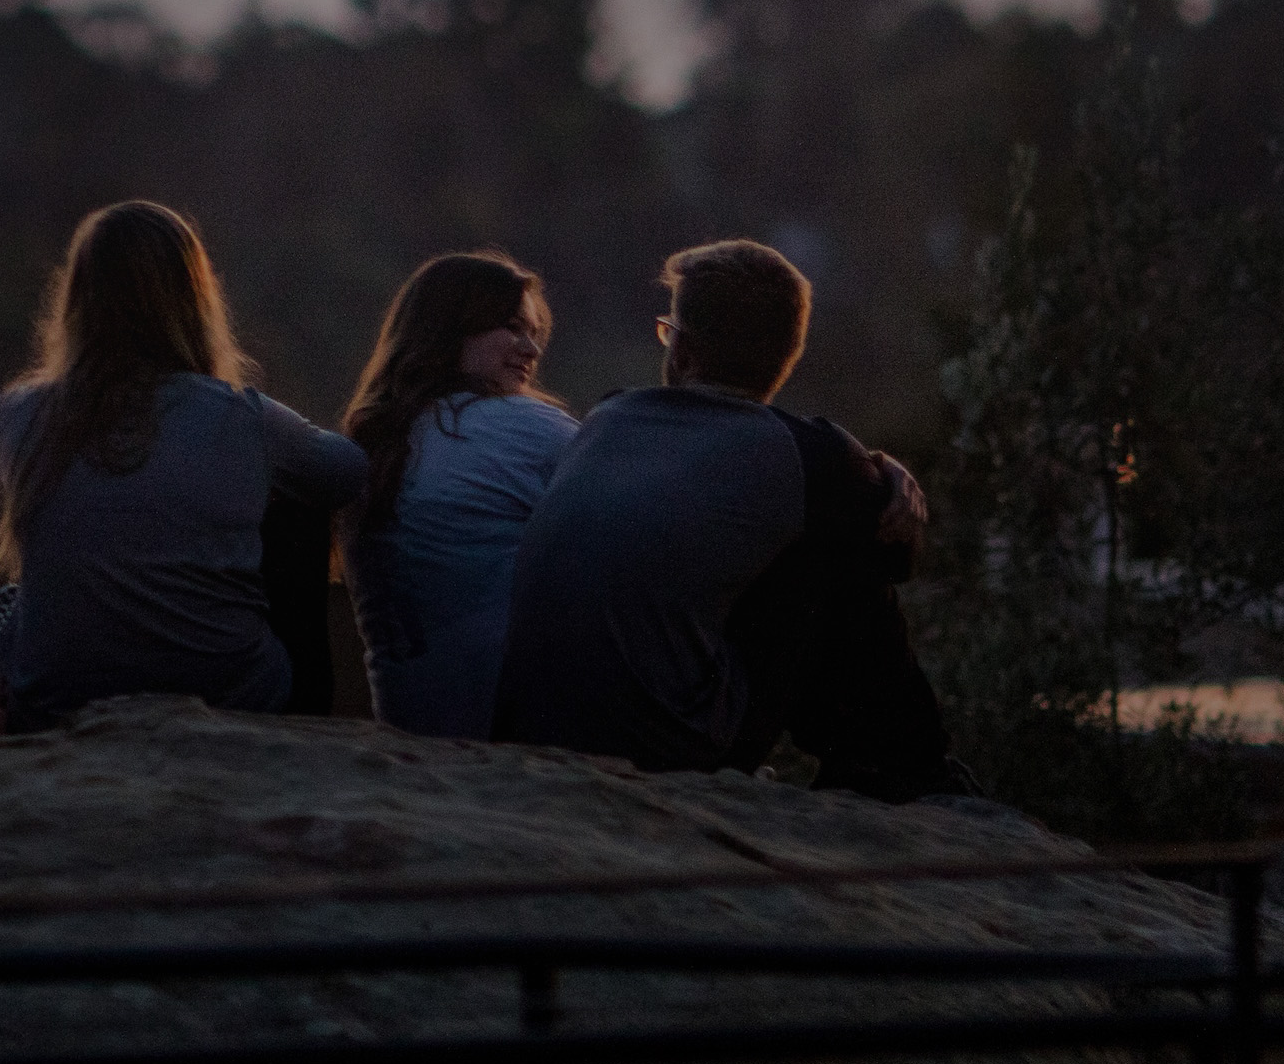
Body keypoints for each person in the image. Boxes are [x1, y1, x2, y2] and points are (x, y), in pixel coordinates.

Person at [494, 239, 951, 796]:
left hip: (531, 733)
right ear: (789, 351)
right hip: (663, 753)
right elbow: (894, 558)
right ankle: (910, 771)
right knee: (824, 564)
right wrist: (877, 472)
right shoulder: (808, 456)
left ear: (682, 351)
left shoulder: (609, 416)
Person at [0, 200, 365, 726]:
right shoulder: (240, 417)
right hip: (232, 696)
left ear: (78, 301)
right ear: (195, 300)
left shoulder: (17, 415)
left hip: (53, 700)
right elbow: (347, 471)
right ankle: (301, 722)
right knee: (294, 506)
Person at [339, 251, 578, 739]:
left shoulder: (370, 439)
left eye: (534, 333)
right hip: (510, 723)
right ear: (451, 328)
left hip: (407, 717)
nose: (531, 349)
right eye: (512, 327)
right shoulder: (526, 427)